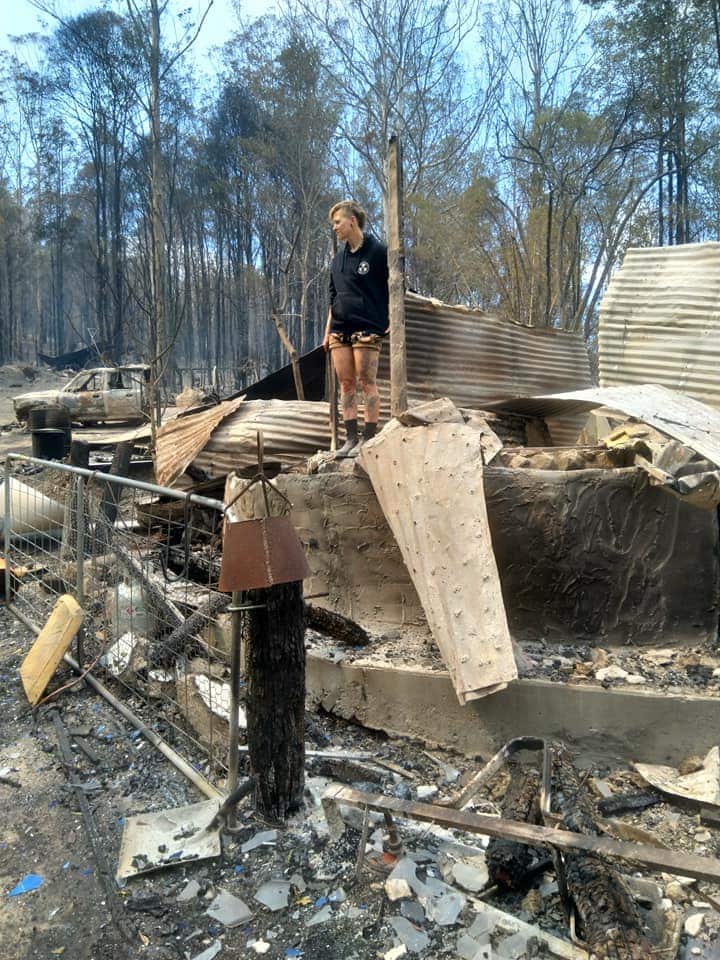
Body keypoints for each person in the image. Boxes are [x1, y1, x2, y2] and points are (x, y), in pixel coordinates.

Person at [323, 199, 389, 457]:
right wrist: (327, 332)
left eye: (337, 222)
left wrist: (390, 322)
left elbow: (395, 288)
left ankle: (368, 440)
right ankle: (350, 439)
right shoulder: (337, 261)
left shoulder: (378, 251)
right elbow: (332, 298)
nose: (335, 228)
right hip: (340, 329)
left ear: (352, 221)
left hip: (368, 328)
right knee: (346, 383)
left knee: (366, 382)